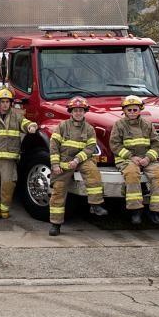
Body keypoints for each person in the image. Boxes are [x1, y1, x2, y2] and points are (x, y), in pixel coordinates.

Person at [46, 96, 108, 236]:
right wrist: (55, 165)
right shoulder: (62, 126)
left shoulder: (90, 129)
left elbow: (90, 147)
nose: (78, 113)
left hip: (82, 159)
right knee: (58, 191)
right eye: (75, 110)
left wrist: (77, 159)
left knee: (93, 172)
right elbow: (54, 146)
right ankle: (55, 224)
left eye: (81, 110)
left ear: (85, 111)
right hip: (64, 160)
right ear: (71, 112)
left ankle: (96, 205)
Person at [0, 88, 39, 219]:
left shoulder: (17, 116)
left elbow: (26, 123)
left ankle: (5, 209)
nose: (5, 104)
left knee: (8, 184)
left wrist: (31, 126)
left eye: (7, 101)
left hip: (9, 159)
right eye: (2, 101)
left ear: (10, 103)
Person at [110, 95, 159, 227]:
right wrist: (131, 157)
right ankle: (136, 211)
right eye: (129, 110)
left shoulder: (147, 125)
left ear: (140, 110)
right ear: (124, 111)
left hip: (147, 160)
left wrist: (148, 158)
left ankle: (156, 211)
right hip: (127, 160)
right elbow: (115, 145)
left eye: (135, 110)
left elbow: (156, 145)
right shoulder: (119, 125)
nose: (132, 113)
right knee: (132, 175)